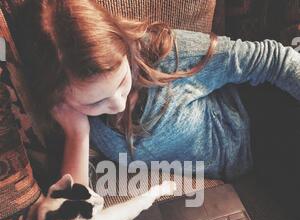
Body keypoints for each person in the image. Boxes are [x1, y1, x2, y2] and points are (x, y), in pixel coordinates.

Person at [21, 0, 300, 187]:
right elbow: (74, 214)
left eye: (121, 81)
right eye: (96, 101)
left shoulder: (165, 53)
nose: (117, 103)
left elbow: (275, 59)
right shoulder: (73, 118)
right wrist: (77, 135)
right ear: (59, 97)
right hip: (245, 171)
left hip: (262, 124)